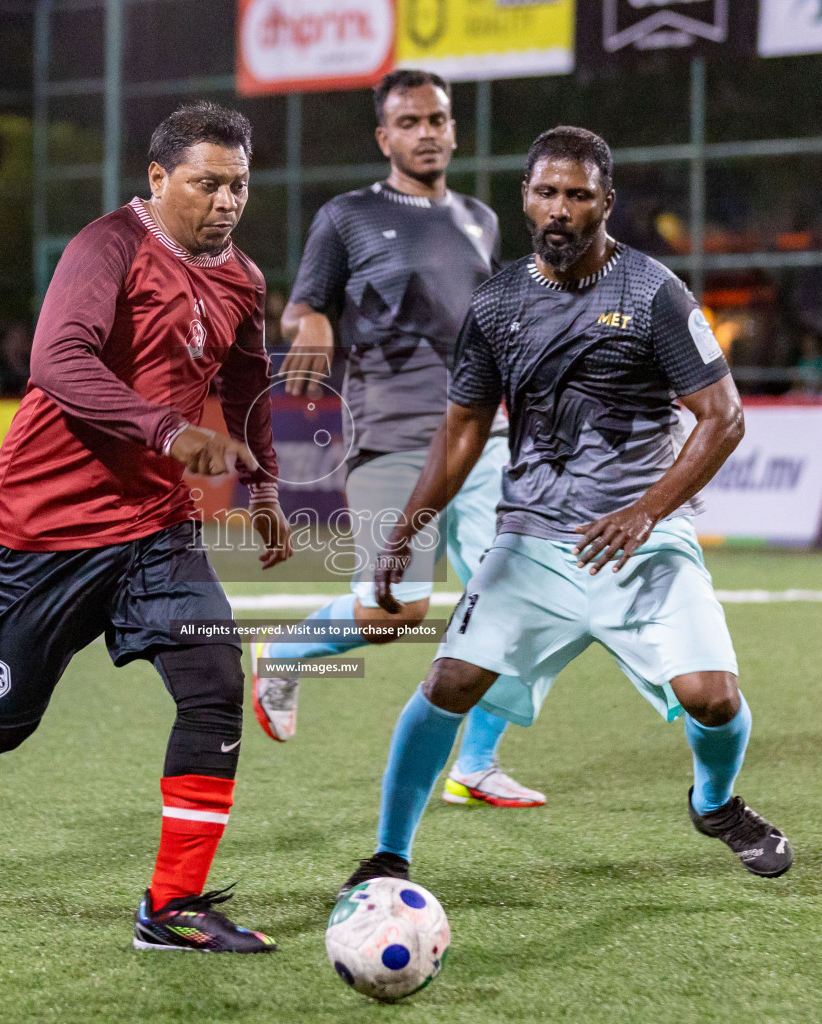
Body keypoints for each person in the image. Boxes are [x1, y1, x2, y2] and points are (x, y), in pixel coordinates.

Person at [0, 102, 292, 954]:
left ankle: (171, 908)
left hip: (155, 529)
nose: (226, 202)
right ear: (158, 178)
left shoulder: (243, 280)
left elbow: (248, 388)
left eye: (239, 185)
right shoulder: (108, 246)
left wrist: (266, 488)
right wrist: (172, 433)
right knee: (2, 720)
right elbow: (56, 362)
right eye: (208, 183)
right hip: (43, 531)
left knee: (214, 677)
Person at [339, 127, 793, 896]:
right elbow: (462, 429)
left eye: (577, 196)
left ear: (605, 204)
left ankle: (714, 805)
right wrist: (406, 530)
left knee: (712, 699)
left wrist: (646, 513)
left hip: (640, 542)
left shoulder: (654, 293)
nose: (560, 209)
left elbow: (723, 418)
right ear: (525, 199)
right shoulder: (497, 301)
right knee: (447, 681)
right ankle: (389, 854)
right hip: (532, 544)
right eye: (547, 193)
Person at [249, 68, 547, 809]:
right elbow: (305, 307)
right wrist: (312, 324)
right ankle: (283, 653)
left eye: (436, 120)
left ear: (452, 128)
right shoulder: (347, 215)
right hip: (390, 432)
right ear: (385, 137)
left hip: (484, 433)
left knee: (517, 599)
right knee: (396, 612)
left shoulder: (480, 218)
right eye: (408, 122)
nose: (426, 133)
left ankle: (474, 763)